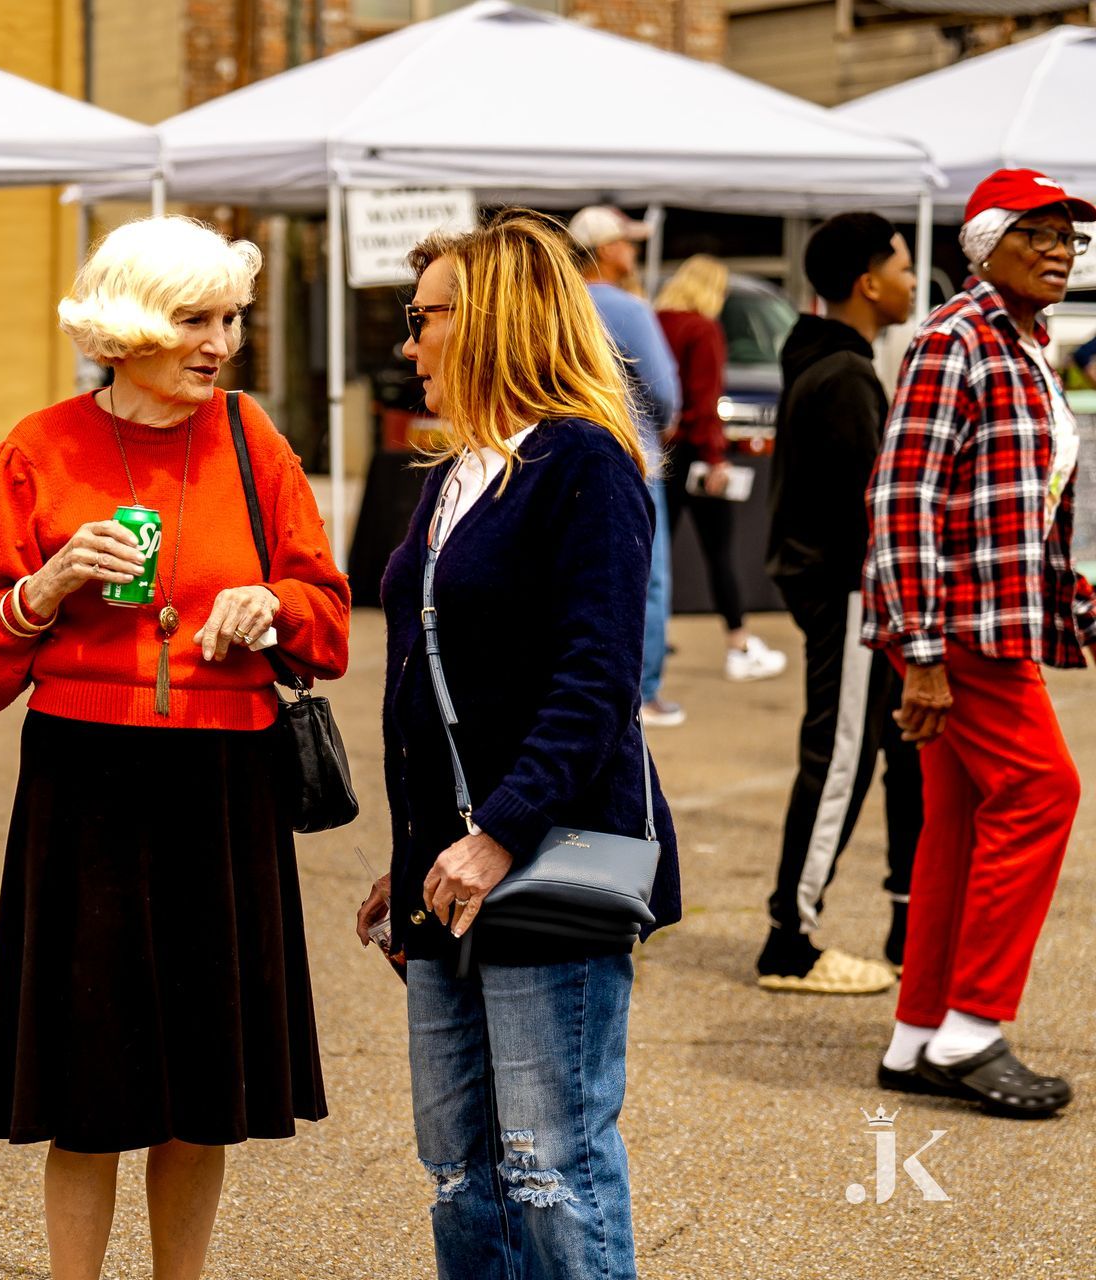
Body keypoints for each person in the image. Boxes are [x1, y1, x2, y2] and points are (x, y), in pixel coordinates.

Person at [0, 215, 350, 1280]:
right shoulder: (39, 447)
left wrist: (271, 602)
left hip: (227, 776)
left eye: (232, 319)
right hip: (87, 777)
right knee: (90, 1088)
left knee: (203, 1088)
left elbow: (332, 615)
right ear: (129, 329)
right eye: (194, 319)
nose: (221, 342)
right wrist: (47, 586)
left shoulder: (254, 437)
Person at [357, 210, 679, 1280]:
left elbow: (598, 683)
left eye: (424, 319)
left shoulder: (585, 464)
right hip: (448, 869)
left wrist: (493, 832)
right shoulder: (455, 474)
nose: (409, 345)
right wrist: (413, 849)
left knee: (549, 1166)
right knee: (461, 1168)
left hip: (546, 853)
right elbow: (434, 684)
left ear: (489, 321)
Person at [866, 169, 1096, 1117]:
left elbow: (1016, 511)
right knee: (1045, 791)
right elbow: (901, 498)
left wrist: (1072, 601)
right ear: (983, 243)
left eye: (1070, 237)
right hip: (956, 627)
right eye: (1037, 232)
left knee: (959, 821)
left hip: (983, 618)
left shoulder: (1027, 344)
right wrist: (919, 651)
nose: (1060, 249)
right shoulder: (955, 339)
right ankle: (973, 1028)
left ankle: (917, 1034)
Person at [759, 214, 922, 996]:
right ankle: (789, 940)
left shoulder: (828, 361)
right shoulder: (847, 375)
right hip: (853, 592)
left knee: (898, 750)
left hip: (846, 590)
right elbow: (872, 508)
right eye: (904, 266)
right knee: (839, 758)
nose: (913, 281)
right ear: (867, 282)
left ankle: (906, 922)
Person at [569, 205, 684, 727]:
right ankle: (645, 691)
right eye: (628, 242)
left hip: (562, 451)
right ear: (609, 248)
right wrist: (663, 422)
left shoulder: (557, 301)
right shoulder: (630, 308)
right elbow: (663, 390)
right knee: (648, 578)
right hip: (631, 453)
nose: (633, 252)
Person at [655, 255, 787, 682]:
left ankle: (650, 634)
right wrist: (716, 458)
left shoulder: (656, 321)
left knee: (655, 552)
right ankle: (739, 643)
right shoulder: (702, 328)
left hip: (658, 452)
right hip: (695, 452)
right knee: (719, 552)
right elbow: (705, 401)